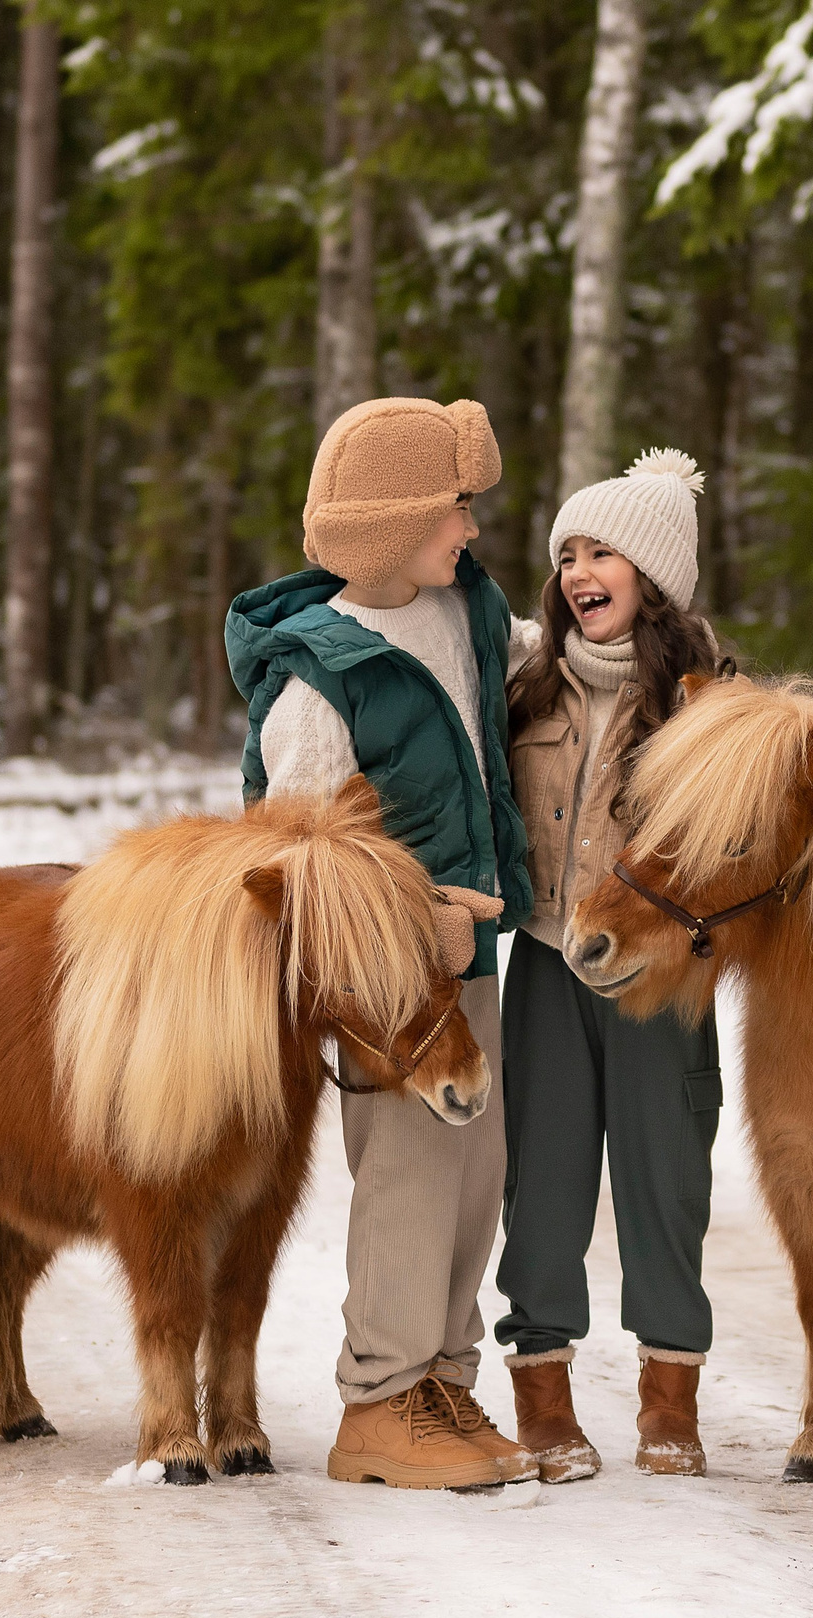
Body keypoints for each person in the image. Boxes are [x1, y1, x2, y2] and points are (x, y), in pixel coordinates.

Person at [225, 397, 539, 1491]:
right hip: (390, 988)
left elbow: (538, 670)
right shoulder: (319, 679)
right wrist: (417, 928)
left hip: (475, 957)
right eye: (457, 510)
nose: (472, 531)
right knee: (408, 1174)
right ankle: (379, 1399)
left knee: (475, 1170)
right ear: (395, 524)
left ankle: (443, 1382)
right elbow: (303, 863)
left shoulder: (464, 613)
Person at [495, 448, 730, 1482]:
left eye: (603, 553)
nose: (578, 572)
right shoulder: (526, 683)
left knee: (665, 1184)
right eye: (568, 555)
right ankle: (542, 1400)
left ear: (654, 575)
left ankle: (668, 1402)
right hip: (549, 965)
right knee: (541, 1188)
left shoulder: (707, 705)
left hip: (659, 981)